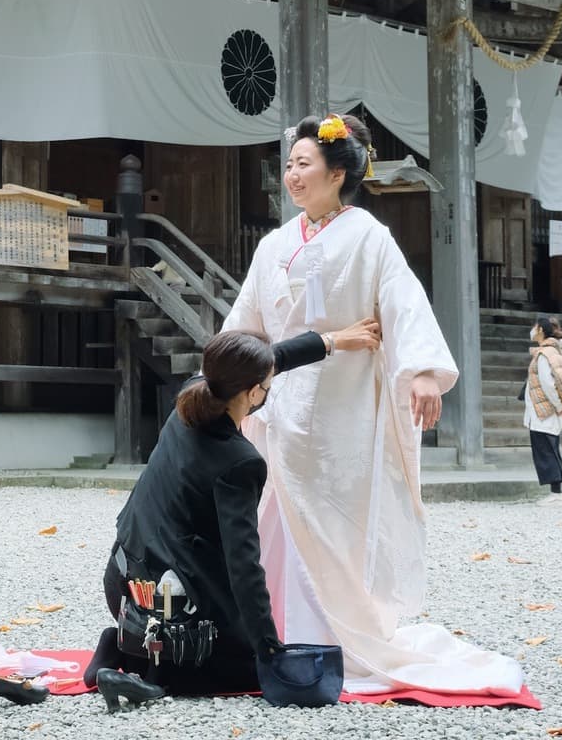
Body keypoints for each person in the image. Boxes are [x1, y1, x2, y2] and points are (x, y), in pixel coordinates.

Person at [220, 113, 524, 697]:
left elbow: (403, 304)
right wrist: (228, 376)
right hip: (279, 405)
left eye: (303, 164)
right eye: (289, 165)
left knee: (333, 518)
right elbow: (245, 323)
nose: (292, 175)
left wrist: (424, 373)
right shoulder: (274, 245)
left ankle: (331, 640)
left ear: (338, 174)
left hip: (343, 405)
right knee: (271, 518)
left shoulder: (368, 237)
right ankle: (271, 634)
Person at [83, 322, 381, 709]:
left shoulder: (192, 394)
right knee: (241, 668)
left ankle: (123, 645)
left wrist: (330, 342)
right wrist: (268, 649)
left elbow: (266, 361)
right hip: (179, 608)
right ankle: (149, 669)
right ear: (255, 391)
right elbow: (244, 566)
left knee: (195, 629)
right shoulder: (238, 462)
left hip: (124, 582)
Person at [524, 315, 562, 506]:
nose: (532, 330)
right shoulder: (551, 351)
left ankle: (557, 494)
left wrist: (559, 406)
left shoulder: (545, 354)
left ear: (541, 330)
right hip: (543, 409)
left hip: (544, 410)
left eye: (534, 327)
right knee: (549, 450)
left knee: (547, 452)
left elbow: (548, 383)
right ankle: (556, 492)